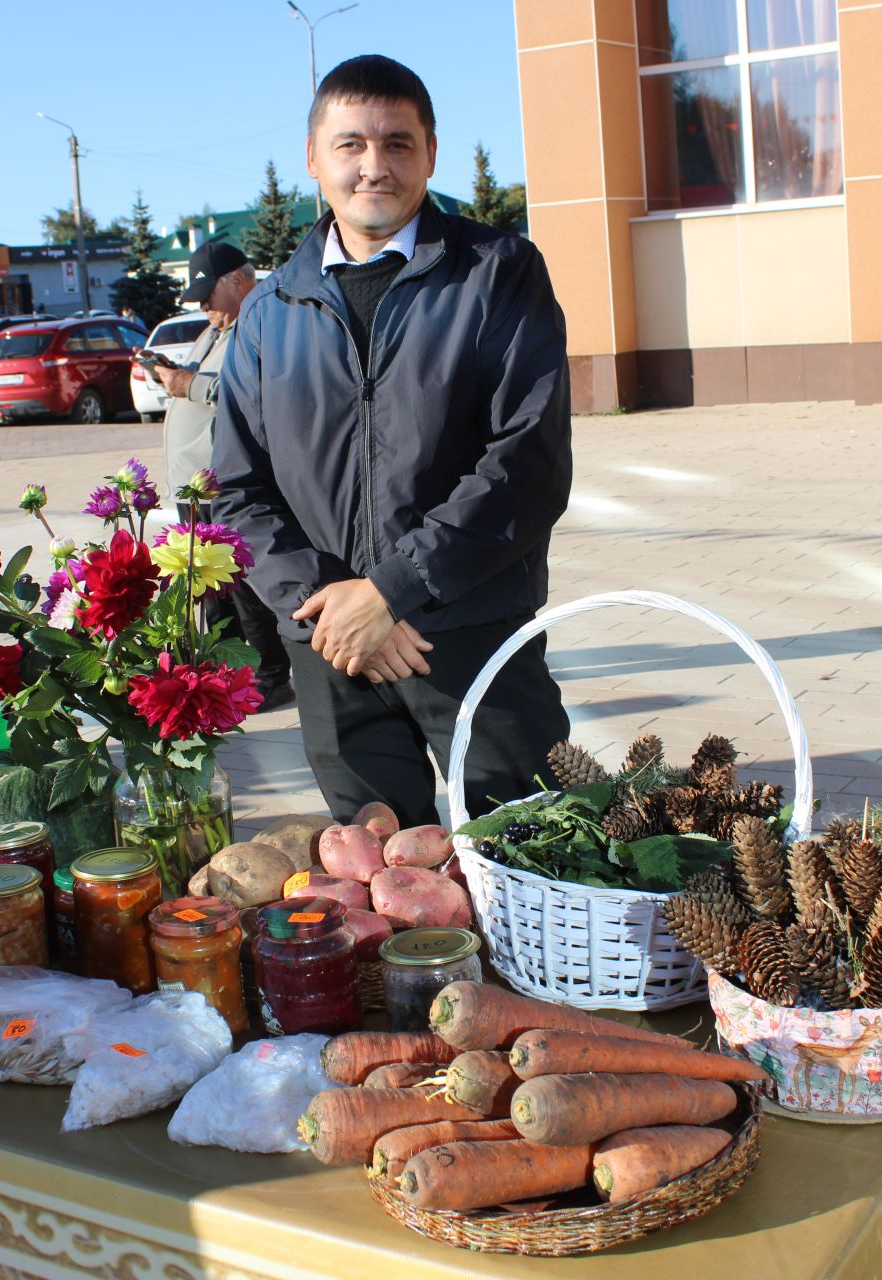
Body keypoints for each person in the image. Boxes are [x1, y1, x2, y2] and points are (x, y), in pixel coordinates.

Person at [212, 55, 573, 827]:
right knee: (379, 888)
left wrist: (391, 592)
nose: (374, 165)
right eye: (350, 144)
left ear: (430, 154)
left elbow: (528, 463)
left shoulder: (499, 274)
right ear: (313, 158)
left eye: (398, 144)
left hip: (469, 633)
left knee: (529, 855)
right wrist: (332, 609)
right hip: (330, 650)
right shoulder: (271, 313)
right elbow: (238, 489)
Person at [154, 240, 291, 708]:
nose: (204, 305)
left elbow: (252, 388)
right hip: (194, 485)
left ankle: (268, 677)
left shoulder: (262, 319)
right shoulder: (216, 328)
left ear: (237, 279)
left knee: (244, 589)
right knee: (212, 591)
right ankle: (231, 678)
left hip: (227, 482)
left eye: (208, 294)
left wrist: (187, 384)